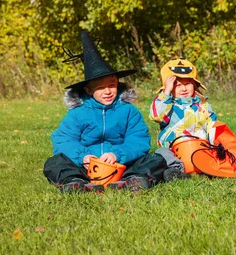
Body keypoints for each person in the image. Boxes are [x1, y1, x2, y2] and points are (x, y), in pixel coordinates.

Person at [43, 31, 180, 193]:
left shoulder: (129, 111)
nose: (107, 91)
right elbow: (63, 140)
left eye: (111, 85)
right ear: (88, 90)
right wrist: (83, 157)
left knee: (155, 158)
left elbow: (138, 141)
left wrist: (117, 154)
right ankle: (75, 182)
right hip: (85, 167)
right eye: (100, 88)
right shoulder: (77, 113)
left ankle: (133, 179)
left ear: (117, 84)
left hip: (122, 165)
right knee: (54, 162)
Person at [149, 58, 236, 178]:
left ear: (194, 85)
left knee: (216, 151)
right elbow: (156, 116)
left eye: (187, 84)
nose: (183, 89)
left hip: (200, 146)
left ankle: (207, 165)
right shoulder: (167, 104)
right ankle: (176, 169)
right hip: (173, 147)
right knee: (161, 154)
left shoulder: (202, 105)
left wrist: (218, 142)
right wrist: (166, 93)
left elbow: (211, 125)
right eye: (177, 85)